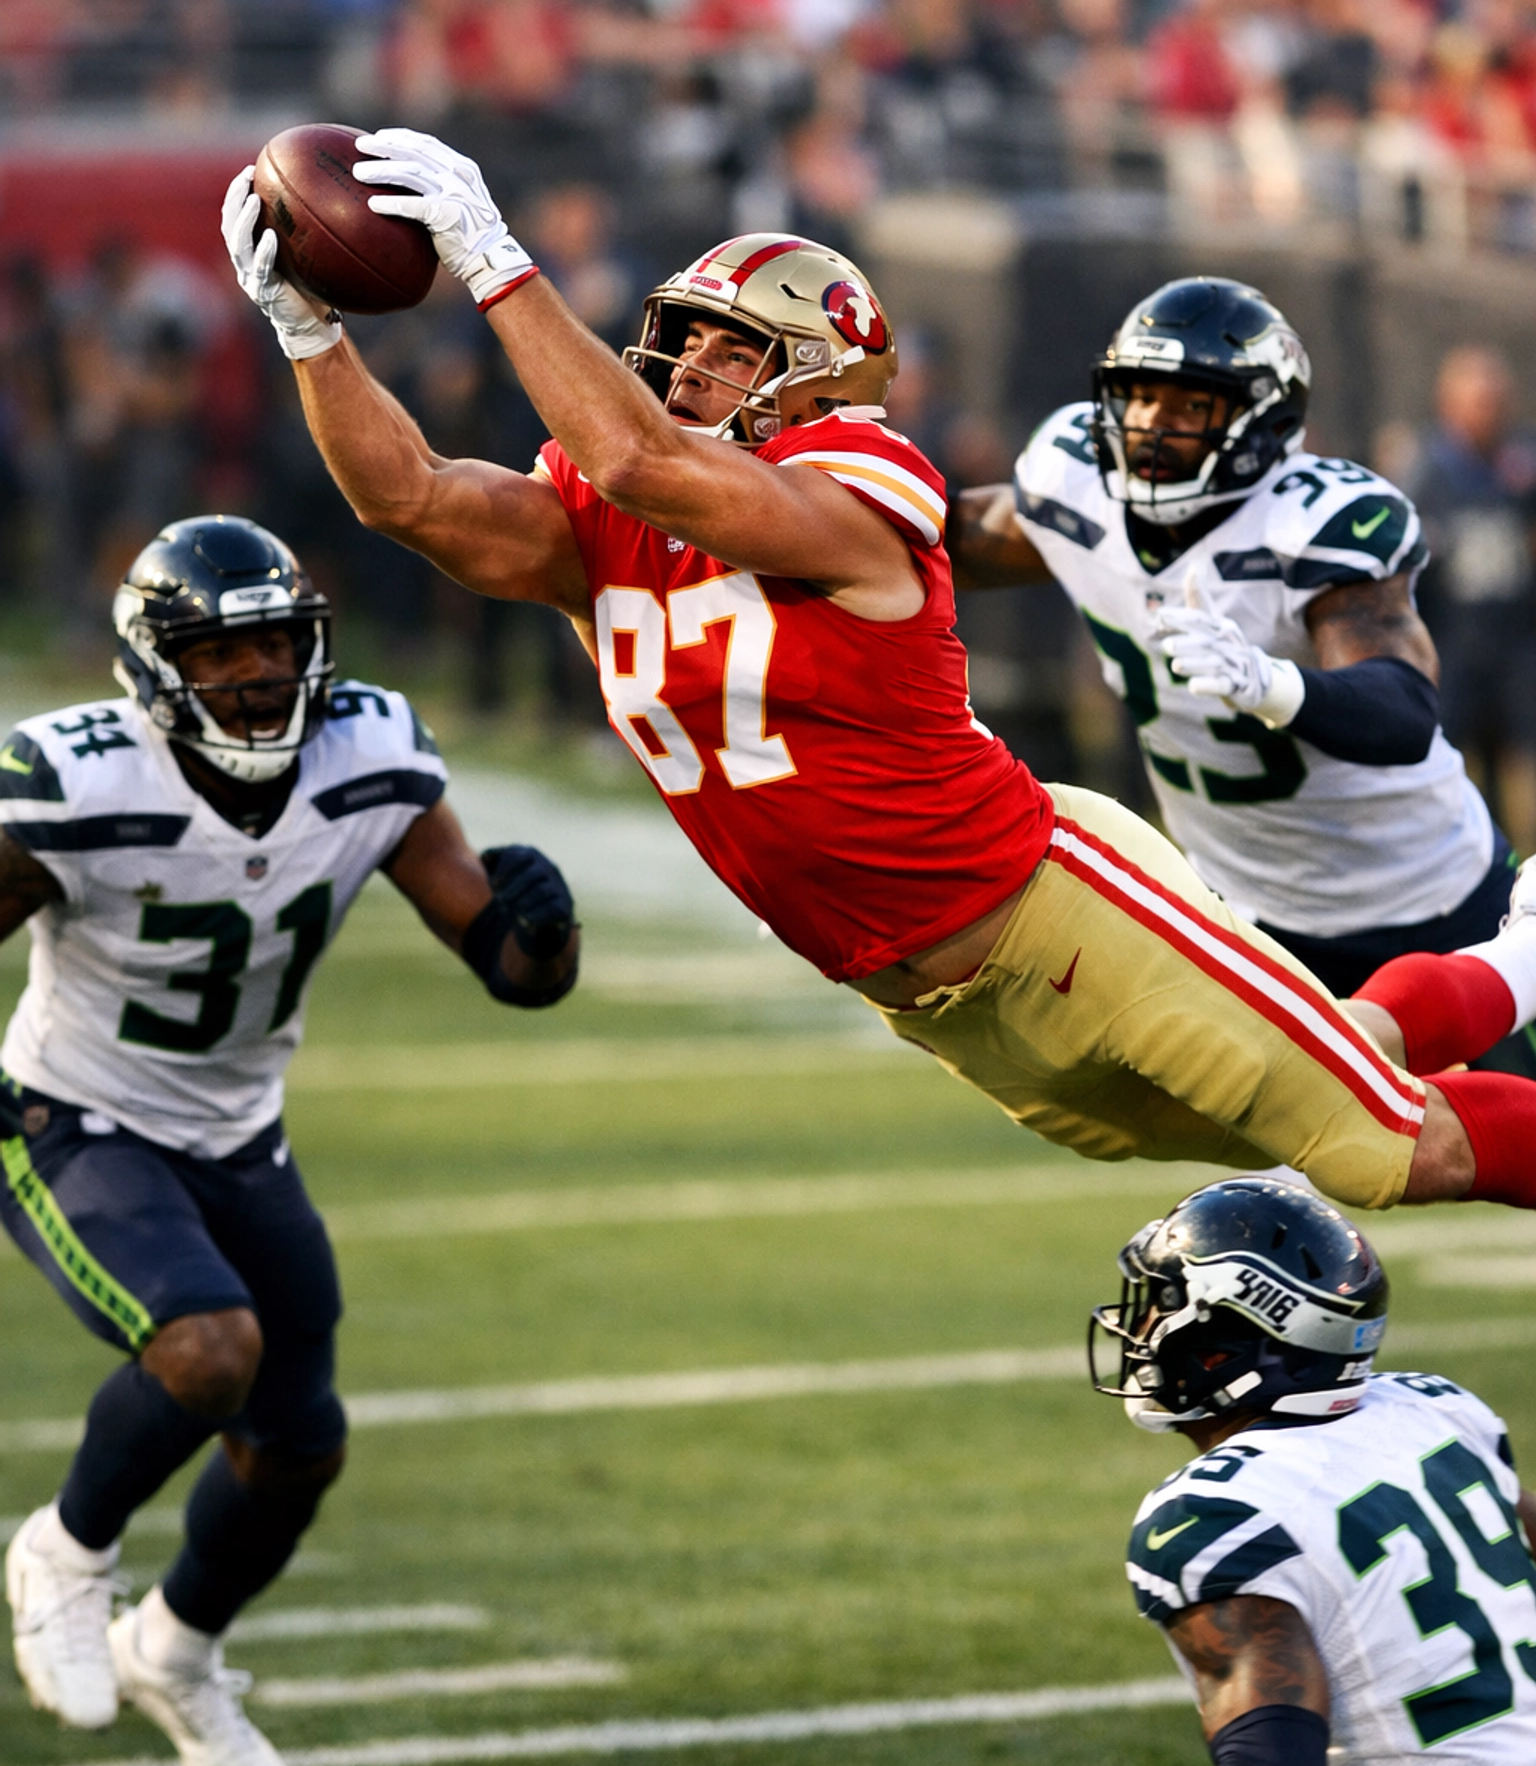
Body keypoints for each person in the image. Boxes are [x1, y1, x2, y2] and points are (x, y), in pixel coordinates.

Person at [220, 130, 1536, 1242]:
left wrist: (495, 262)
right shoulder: (602, 502)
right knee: (1334, 1080)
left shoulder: (862, 471)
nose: (684, 367)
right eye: (677, 342)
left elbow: (641, 461)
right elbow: (411, 499)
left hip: (1051, 910)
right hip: (928, 998)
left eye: (729, 351)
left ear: (813, 374)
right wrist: (309, 330)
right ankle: (1518, 962)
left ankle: (1520, 962)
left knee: (1382, 1146)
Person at [1, 514, 579, 1766]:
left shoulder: (368, 748)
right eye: (221, 654)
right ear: (159, 669)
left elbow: (507, 967)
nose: (258, 675)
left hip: (238, 1129)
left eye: (274, 644)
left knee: (300, 1442)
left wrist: (544, 929)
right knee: (210, 1350)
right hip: (74, 1112)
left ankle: (179, 1650)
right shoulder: (77, 777)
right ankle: (63, 1550)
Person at [946, 279, 1536, 1075]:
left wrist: (1271, 685)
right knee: (1295, 1167)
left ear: (1265, 420)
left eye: (1190, 407)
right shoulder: (1071, 486)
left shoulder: (1309, 522)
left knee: (1516, 1133)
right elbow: (922, 547)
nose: (1153, 427)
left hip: (1429, 894)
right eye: (1139, 398)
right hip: (1248, 921)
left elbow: (1403, 712)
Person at [967, 1177, 1536, 1766]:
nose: (1143, 1329)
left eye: (1166, 1305)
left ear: (1229, 1337)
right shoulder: (1435, 1412)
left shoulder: (1217, 1513)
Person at [1411, 343, 1536, 857]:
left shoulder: (1520, 463)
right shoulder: (1427, 470)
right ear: (1449, 403)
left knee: (1520, 760)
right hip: (1453, 644)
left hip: (1516, 643)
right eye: (1479, 399)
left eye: (1497, 399)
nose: (1491, 411)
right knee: (1455, 768)